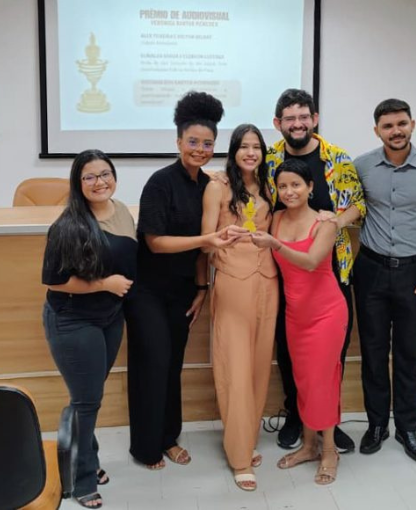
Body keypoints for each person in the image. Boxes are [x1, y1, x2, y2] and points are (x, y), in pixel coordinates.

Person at [125, 91, 244, 470]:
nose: (200, 149)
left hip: (181, 292)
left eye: (208, 143)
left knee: (172, 364)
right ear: (178, 142)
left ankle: (169, 438)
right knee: (153, 364)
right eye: (193, 142)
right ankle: (145, 448)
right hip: (146, 291)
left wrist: (201, 288)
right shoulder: (160, 183)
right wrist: (206, 240)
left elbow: (199, 254)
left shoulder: (208, 185)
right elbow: (156, 243)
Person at [353, 98, 416, 463]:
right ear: (376, 130)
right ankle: (377, 424)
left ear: (412, 124)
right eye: (387, 126)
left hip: (415, 274)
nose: (395, 131)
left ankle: (407, 428)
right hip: (370, 271)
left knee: (410, 354)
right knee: (374, 352)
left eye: (401, 124)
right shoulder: (361, 166)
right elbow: (347, 207)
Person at [266, 89, 366, 453]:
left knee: (330, 355)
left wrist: (336, 223)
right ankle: (296, 415)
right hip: (282, 276)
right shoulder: (269, 159)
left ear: (315, 119)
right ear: (278, 124)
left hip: (330, 273)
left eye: (303, 117)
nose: (297, 124)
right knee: (290, 351)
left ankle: (329, 425)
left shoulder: (336, 158)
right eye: (289, 118)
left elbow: (357, 203)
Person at [41, 149, 137, 508]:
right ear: (78, 184)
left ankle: (86, 458)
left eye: (105, 174)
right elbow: (53, 280)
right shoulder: (68, 226)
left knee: (88, 396)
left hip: (110, 318)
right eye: (90, 177)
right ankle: (81, 480)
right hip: (72, 319)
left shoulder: (123, 211)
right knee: (87, 401)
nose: (100, 182)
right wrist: (103, 285)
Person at [250, 158, 346, 485]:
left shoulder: (325, 223)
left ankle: (329, 449)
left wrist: (276, 244)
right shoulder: (274, 217)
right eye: (283, 186)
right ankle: (308, 445)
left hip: (327, 313)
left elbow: (310, 262)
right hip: (295, 315)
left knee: (323, 380)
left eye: (296, 185)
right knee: (303, 381)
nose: (289, 191)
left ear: (310, 188)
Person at [201, 124, 277, 491]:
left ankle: (246, 438)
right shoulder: (217, 185)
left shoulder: (268, 184)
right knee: (236, 365)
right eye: (243, 147)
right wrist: (219, 244)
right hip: (233, 280)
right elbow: (205, 243)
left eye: (256, 147)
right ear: (232, 151)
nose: (250, 153)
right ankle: (239, 457)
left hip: (268, 279)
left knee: (260, 364)